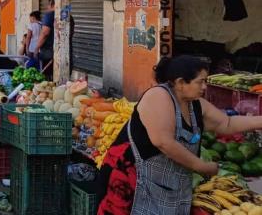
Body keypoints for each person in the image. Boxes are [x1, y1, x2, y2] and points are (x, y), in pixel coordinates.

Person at [97, 56, 262, 215]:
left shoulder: (196, 105)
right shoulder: (159, 96)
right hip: (131, 178)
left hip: (168, 184)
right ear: (181, 82)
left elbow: (227, 124)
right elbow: (163, 142)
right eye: (200, 81)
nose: (205, 87)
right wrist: (201, 166)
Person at [35, 0, 55, 74]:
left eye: (48, 5)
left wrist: (37, 48)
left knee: (47, 80)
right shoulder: (69, 17)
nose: (47, 7)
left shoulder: (49, 15)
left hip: (49, 54)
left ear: (51, 4)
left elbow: (45, 33)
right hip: (66, 56)